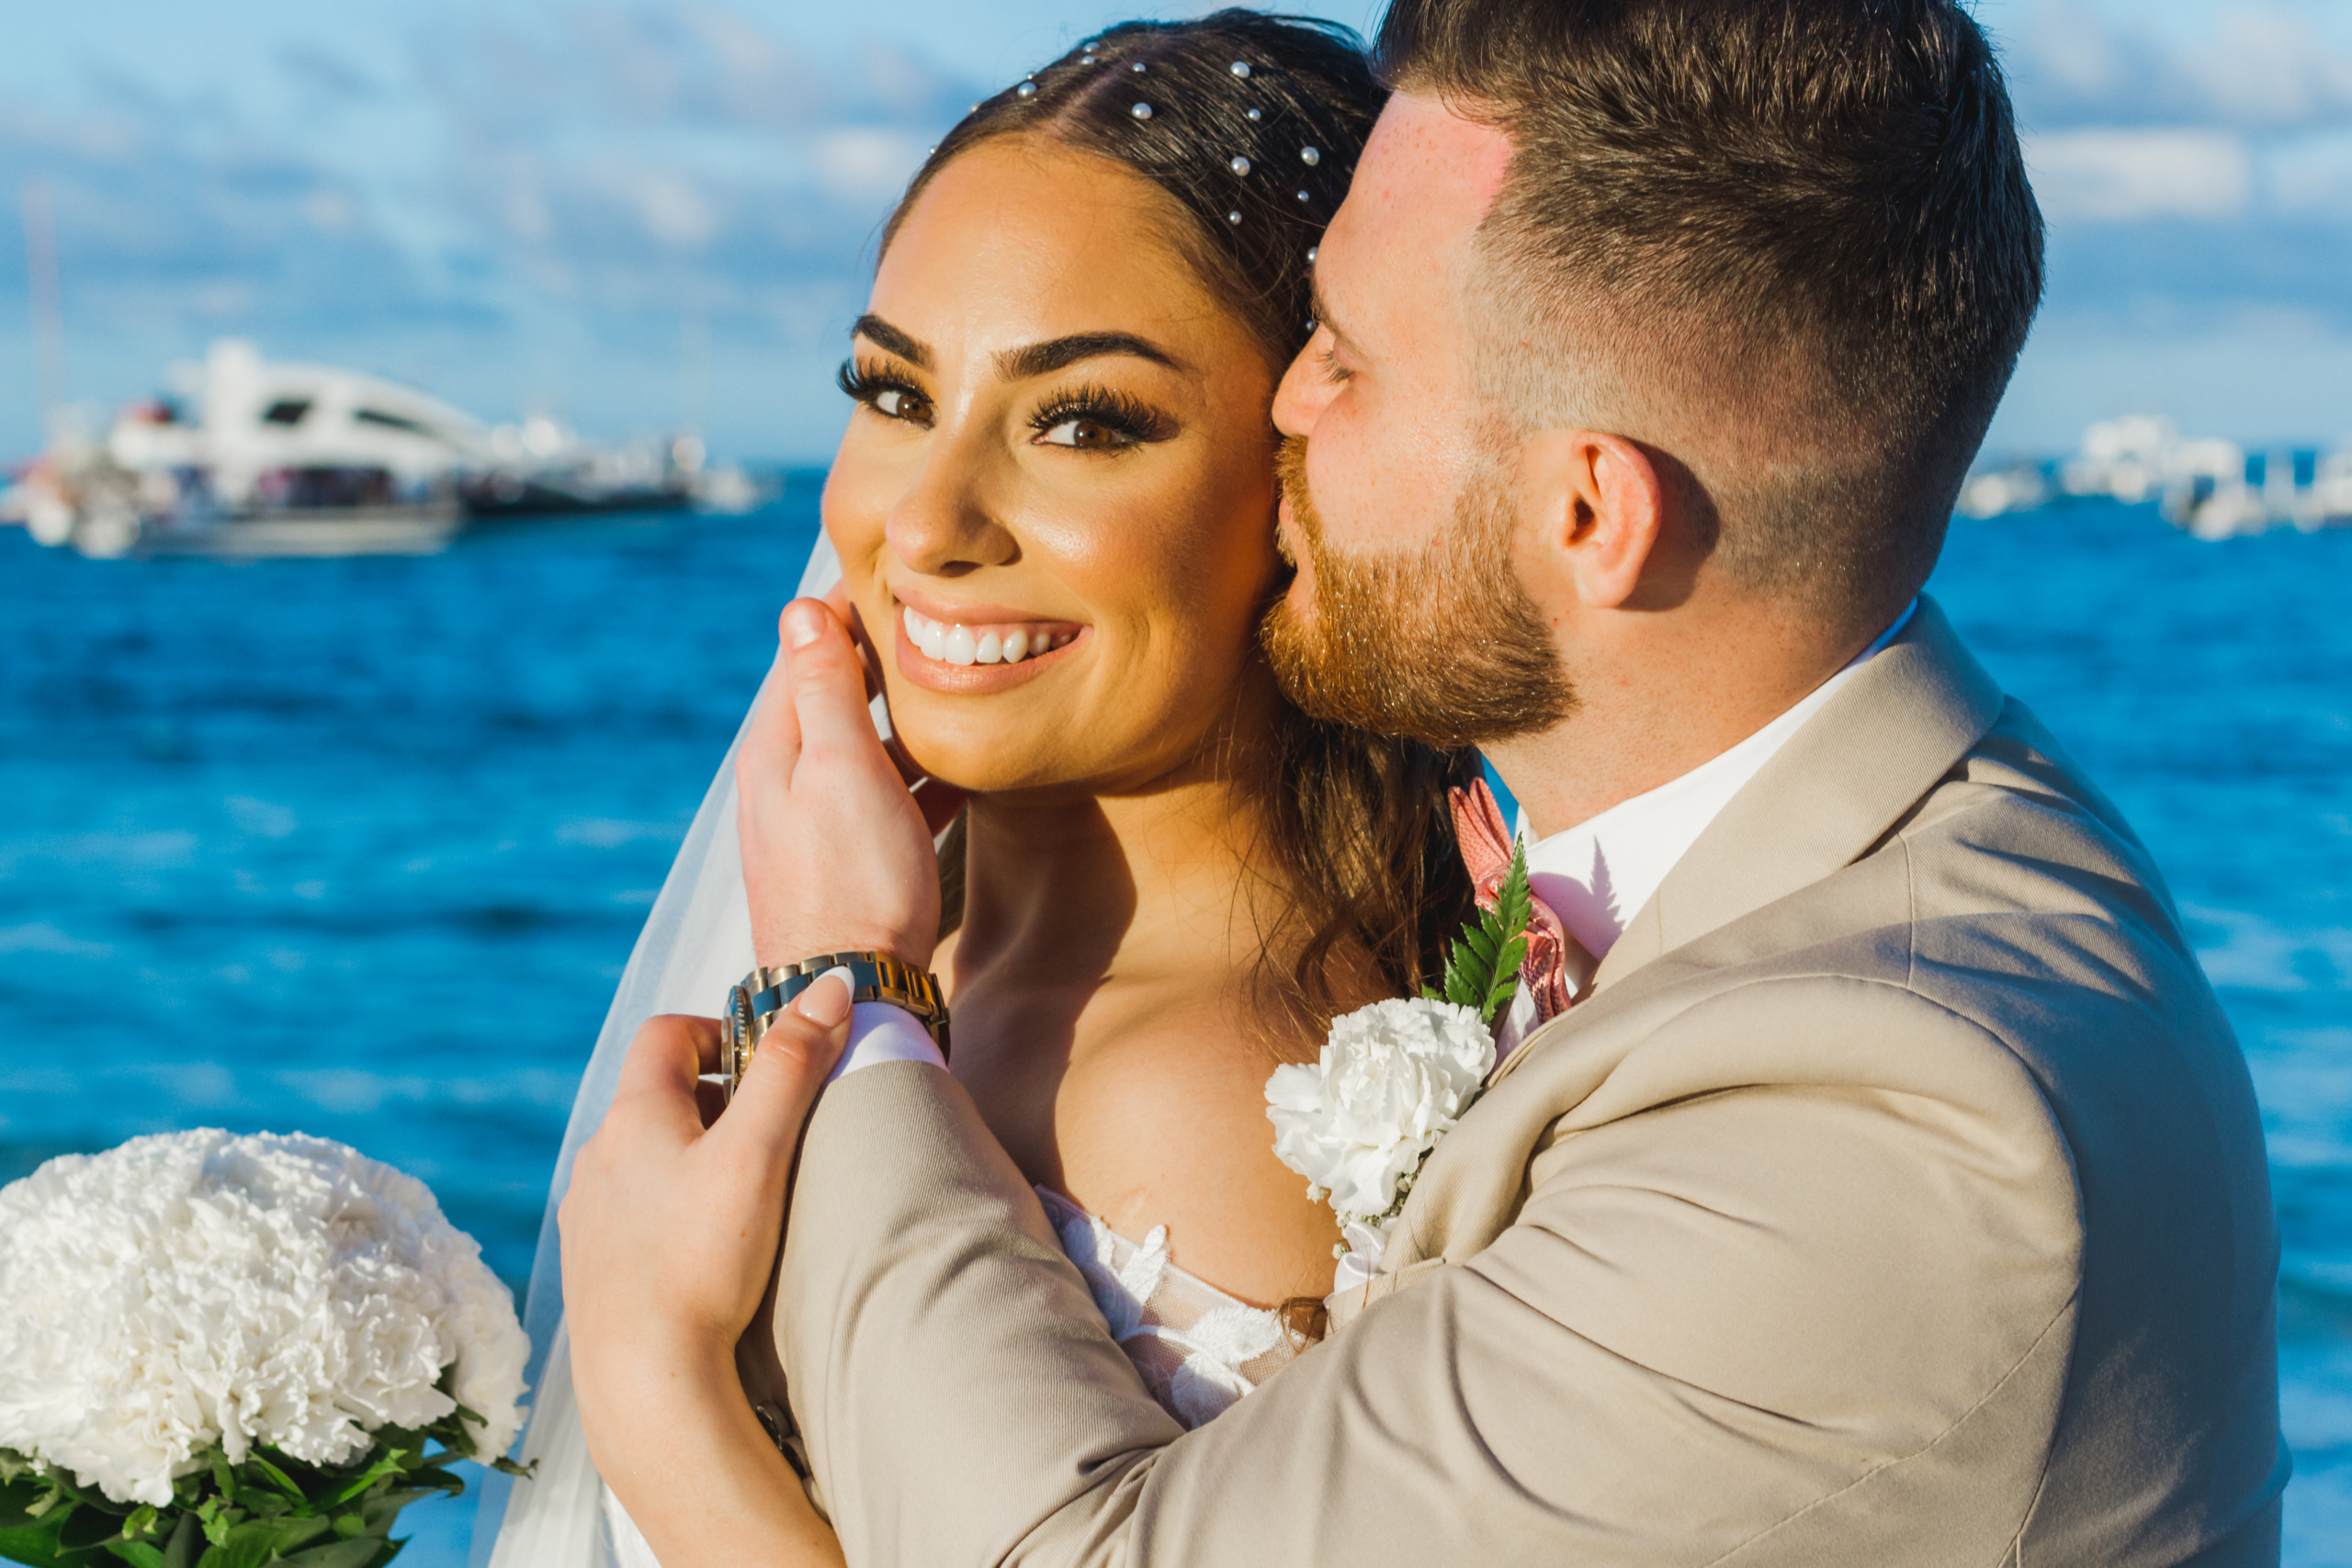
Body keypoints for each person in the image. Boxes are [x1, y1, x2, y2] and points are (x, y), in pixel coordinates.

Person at [559, 0, 2290, 1563]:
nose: (1290, 411)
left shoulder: (1892, 1120)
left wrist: (686, 1346)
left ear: (1591, 515)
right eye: (885, 388)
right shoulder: (1845, 865)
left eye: (1349, 357)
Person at [480, 16, 1482, 1567]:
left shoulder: (1217, 1099)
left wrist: (660, 1390)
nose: (928, 521)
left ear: (1306, 487)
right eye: (893, 395)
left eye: (1084, 422)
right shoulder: (908, 949)